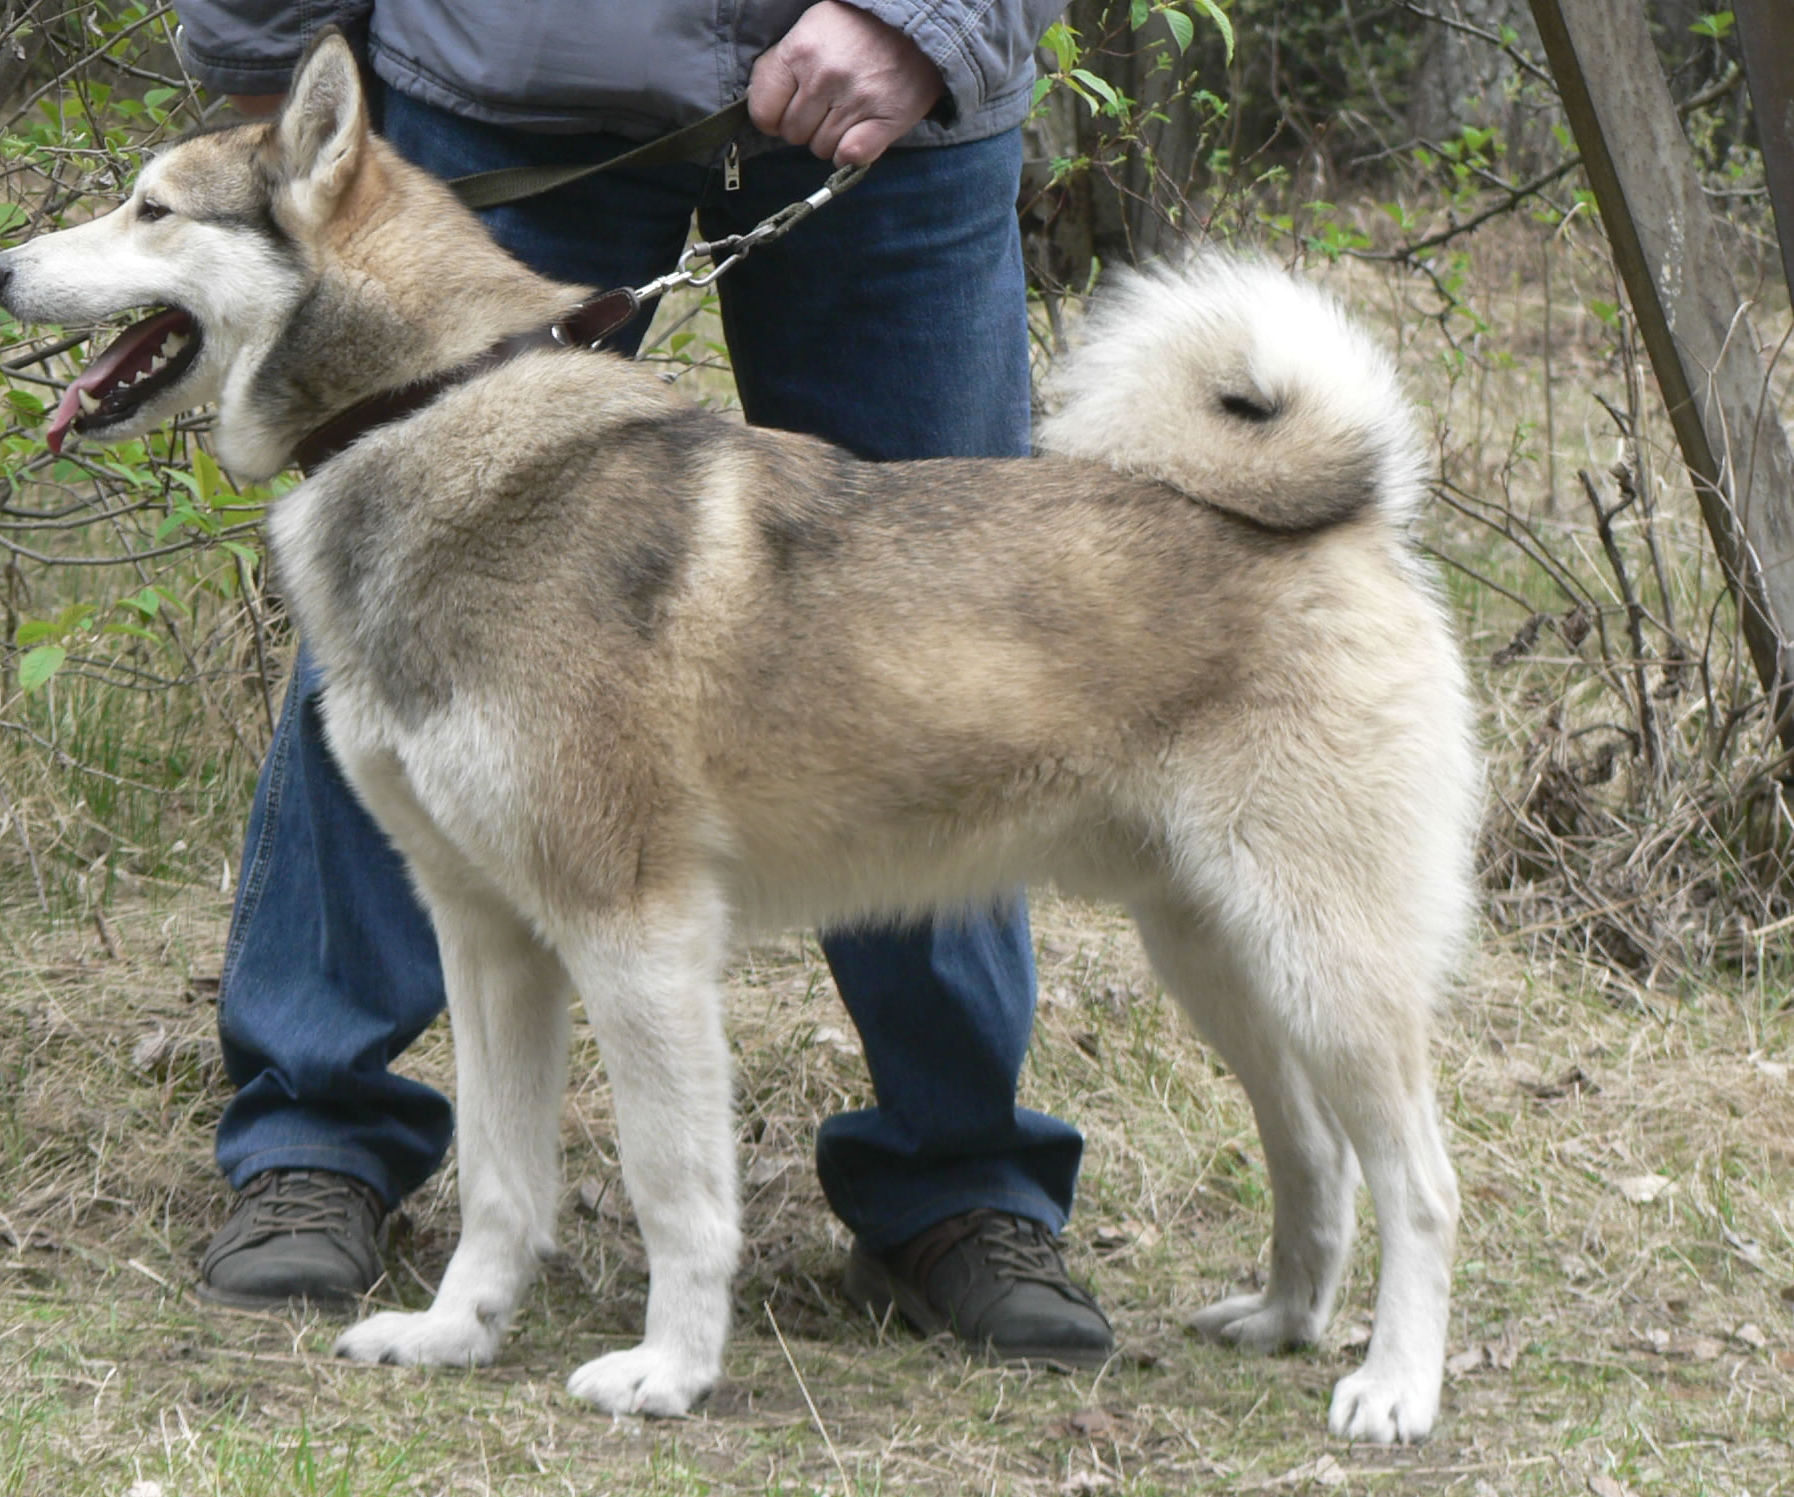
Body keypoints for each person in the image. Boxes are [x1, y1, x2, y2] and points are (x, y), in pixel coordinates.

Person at [172, 0, 1113, 1368]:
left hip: (894, 115)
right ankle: (317, 1134)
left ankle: (958, 1181)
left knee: (933, 650)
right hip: (506, 76)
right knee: (399, 629)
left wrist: (934, 21)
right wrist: (272, 83)